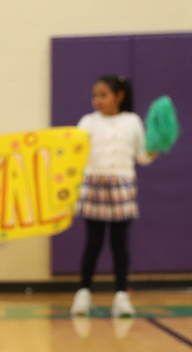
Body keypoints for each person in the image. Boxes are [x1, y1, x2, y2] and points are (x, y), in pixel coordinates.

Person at [70, 75, 156, 318]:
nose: (97, 100)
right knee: (93, 242)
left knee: (119, 244)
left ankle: (121, 297)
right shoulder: (87, 122)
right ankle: (83, 294)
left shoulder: (132, 121)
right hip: (94, 183)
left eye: (103, 95)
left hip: (122, 184)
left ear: (119, 96)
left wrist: (156, 147)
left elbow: (142, 157)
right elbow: (74, 153)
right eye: (95, 96)